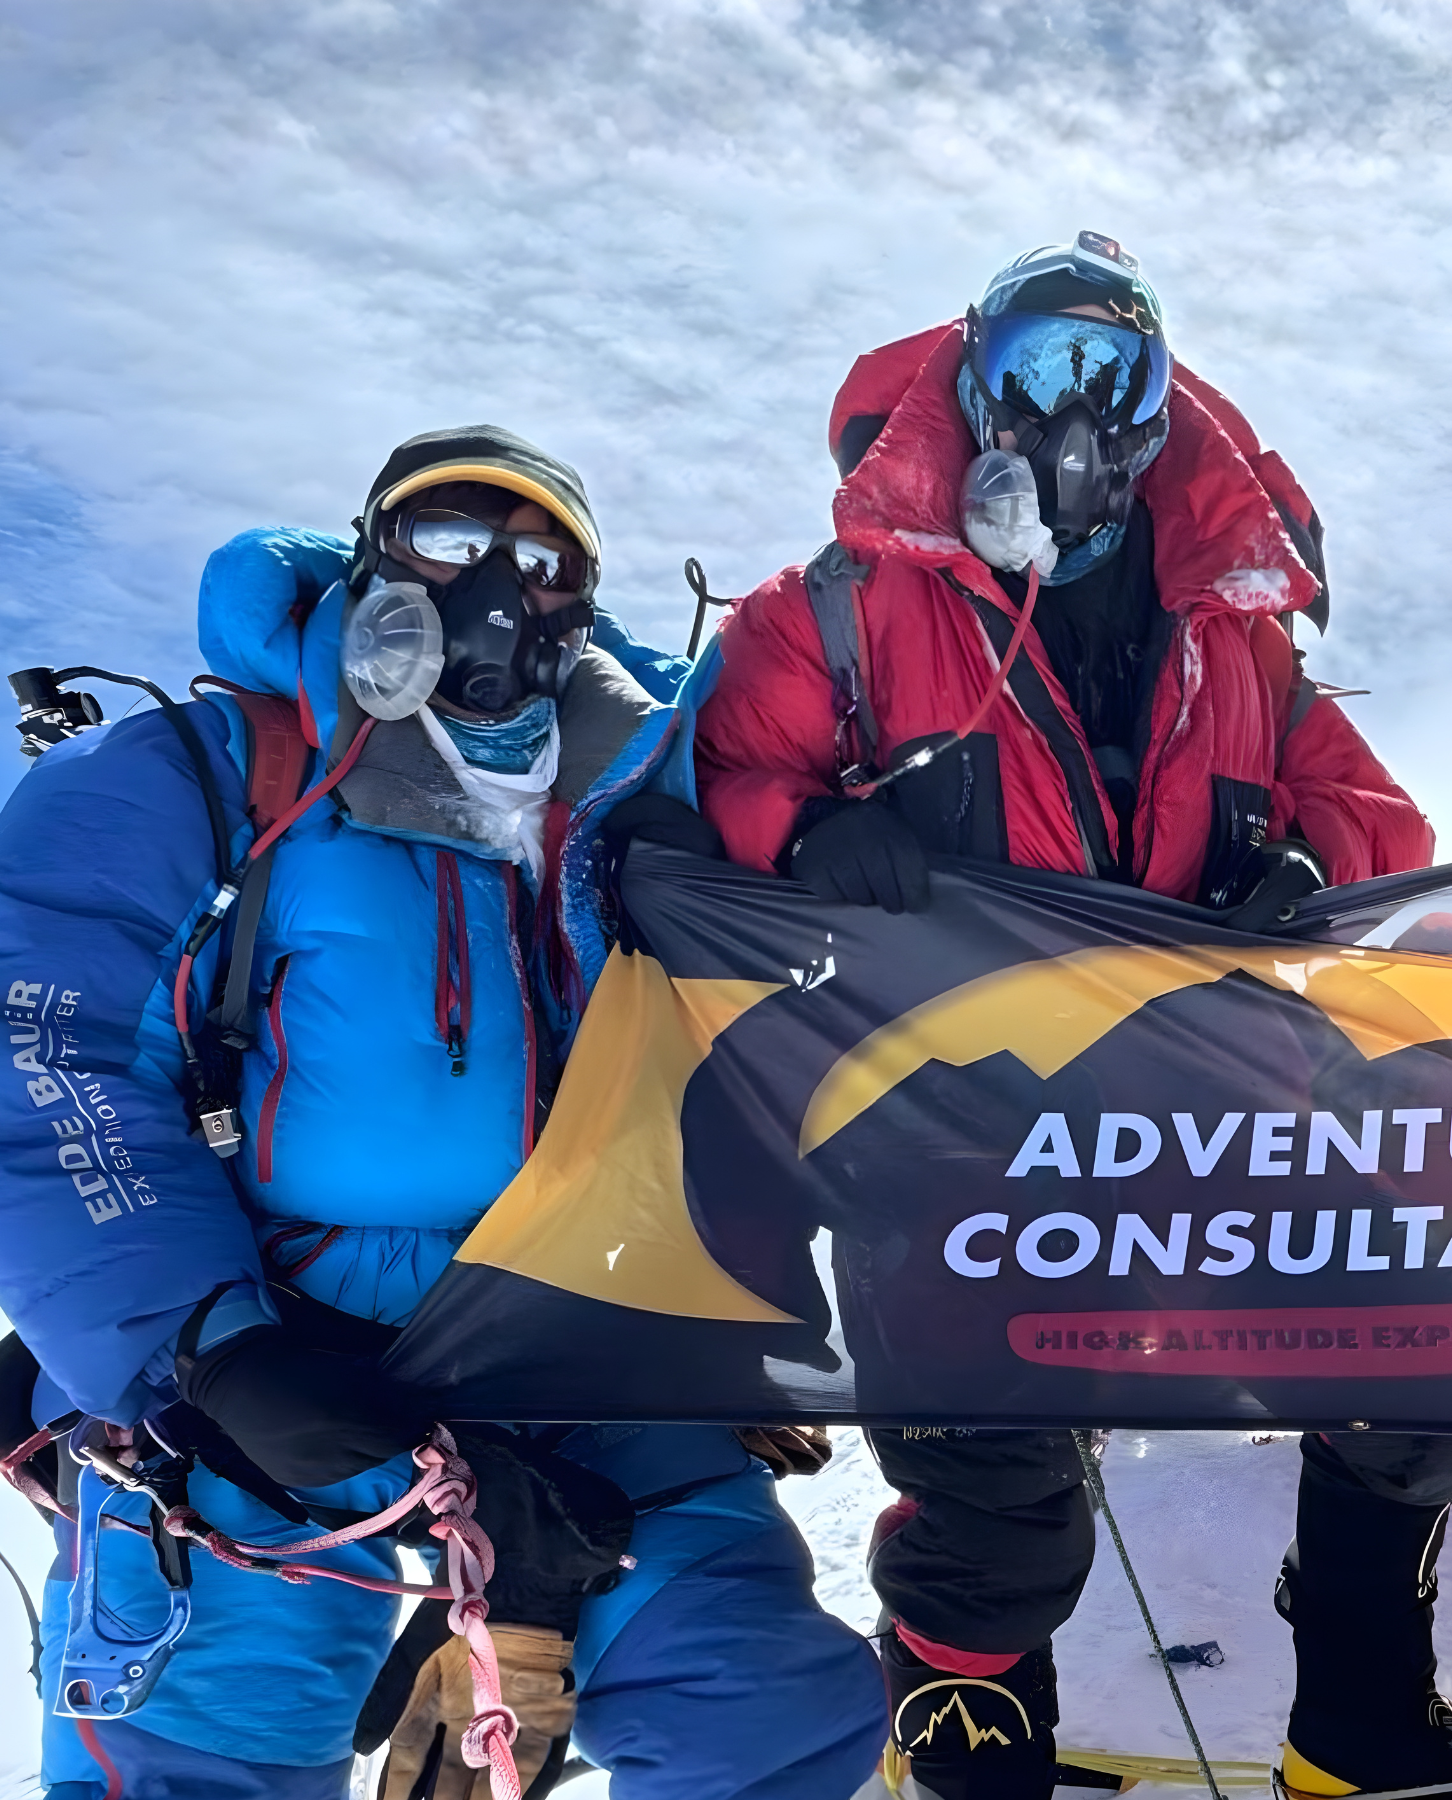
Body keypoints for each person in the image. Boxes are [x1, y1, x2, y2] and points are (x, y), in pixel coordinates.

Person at [688, 235, 1452, 1800]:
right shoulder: (842, 612)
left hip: (1213, 1111)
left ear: (1158, 414)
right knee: (997, 1497)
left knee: (1431, 1368)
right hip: (952, 1133)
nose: (1069, 419)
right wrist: (799, 839)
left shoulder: (1235, 628)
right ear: (971, 384)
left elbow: (1372, 813)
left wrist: (1310, 856)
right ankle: (967, 1748)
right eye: (1034, 371)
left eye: (1113, 377)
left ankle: (1357, 1716)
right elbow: (702, 788)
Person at [0, 428, 885, 1797]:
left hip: (574, 1350)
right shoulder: (207, 776)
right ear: (372, 559)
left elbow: (756, 1064)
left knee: (765, 1713)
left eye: (542, 562)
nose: (496, 587)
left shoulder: (645, 811)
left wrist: (729, 1315)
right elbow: (45, 1070)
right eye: (453, 540)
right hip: (267, 1362)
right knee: (201, 1761)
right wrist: (203, 1354)